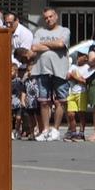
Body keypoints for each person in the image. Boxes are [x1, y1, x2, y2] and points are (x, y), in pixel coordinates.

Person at [27, 9, 70, 141]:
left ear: (56, 17)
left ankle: (56, 129)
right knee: (43, 101)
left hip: (59, 69)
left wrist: (44, 44)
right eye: (46, 18)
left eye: (51, 16)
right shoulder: (39, 31)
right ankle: (45, 129)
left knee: (60, 100)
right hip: (41, 70)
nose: (48, 19)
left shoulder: (64, 30)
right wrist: (53, 45)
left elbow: (61, 44)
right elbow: (34, 48)